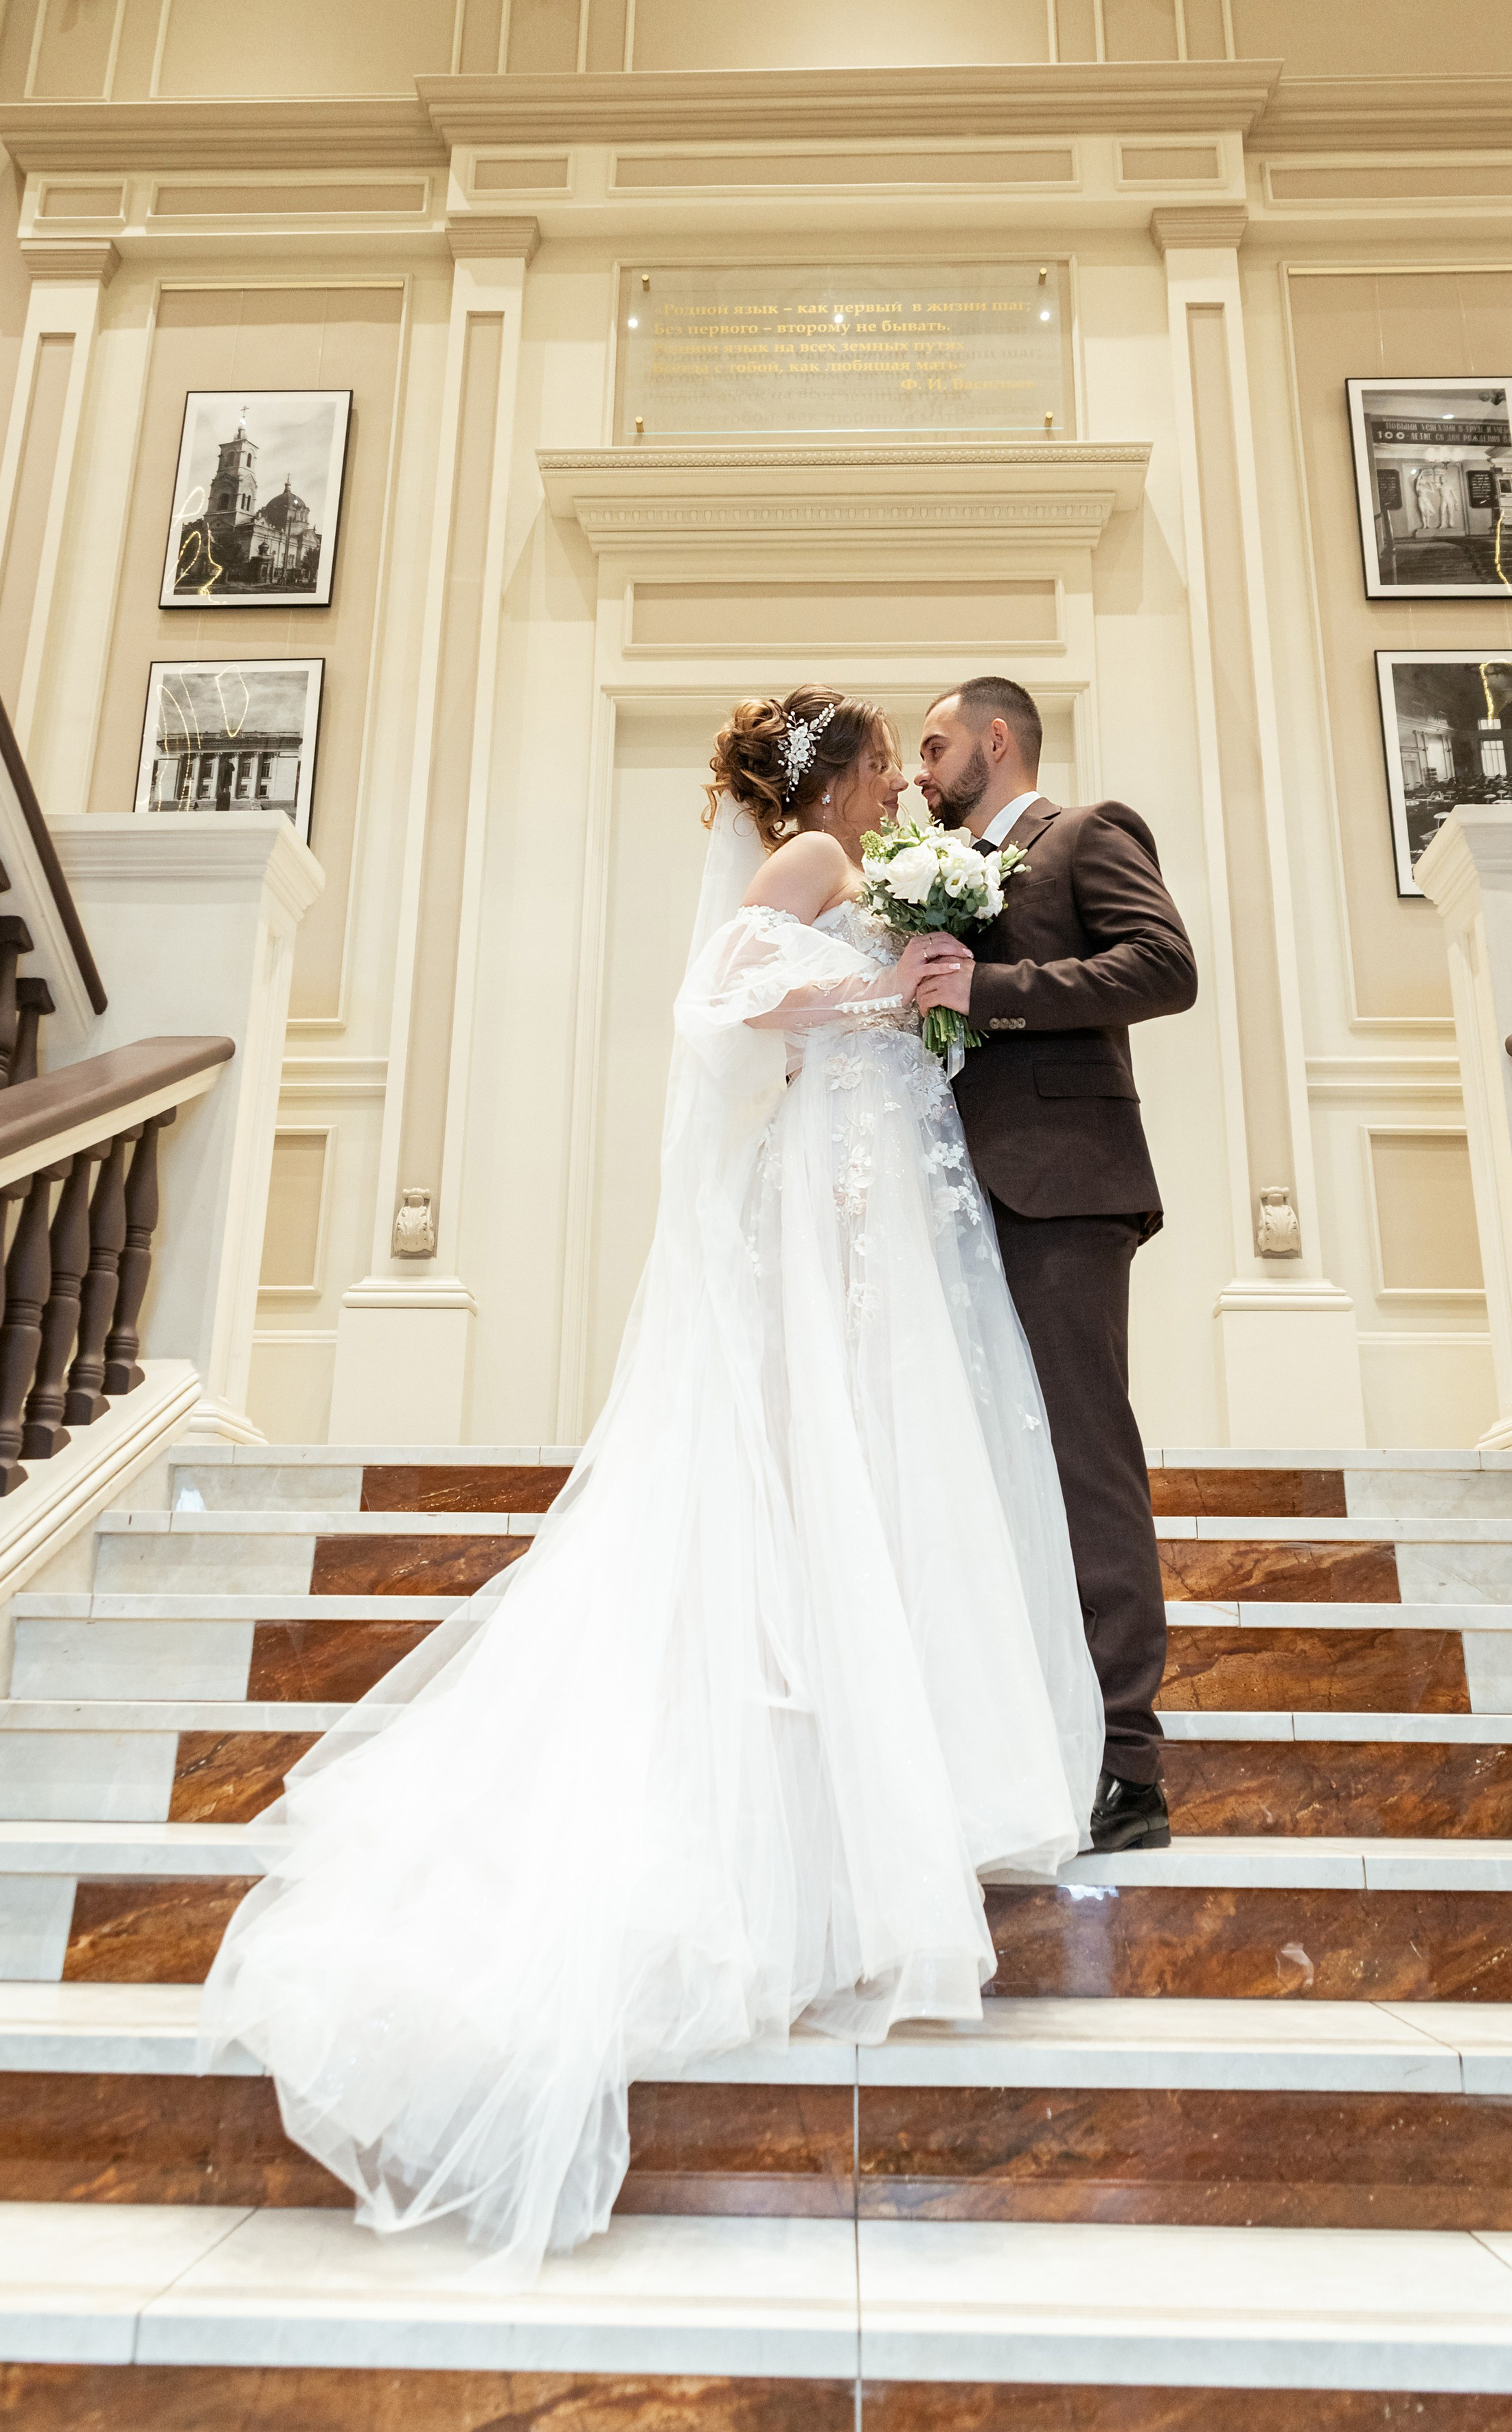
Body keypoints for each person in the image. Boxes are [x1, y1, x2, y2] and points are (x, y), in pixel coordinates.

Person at [200, 686, 1102, 2282]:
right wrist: (876, 1005)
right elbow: (720, 1009)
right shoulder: (810, 876)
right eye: (883, 757)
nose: (900, 775)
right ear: (831, 778)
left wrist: (895, 1001)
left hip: (863, 1215)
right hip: (825, 1222)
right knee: (810, 1492)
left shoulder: (849, 873)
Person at [913, 678, 1197, 1855]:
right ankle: (1011, 1732)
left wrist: (996, 990)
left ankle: (1127, 1768)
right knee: (973, 1467)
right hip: (950, 1199)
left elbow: (1163, 968)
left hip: (1065, 1191)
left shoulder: (1087, 834)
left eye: (932, 745)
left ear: (995, 739)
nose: (919, 770)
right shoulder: (918, 866)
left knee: (1084, 1459)